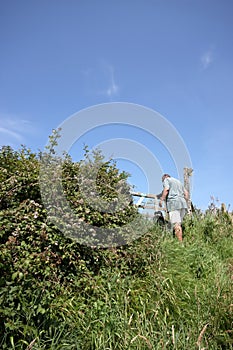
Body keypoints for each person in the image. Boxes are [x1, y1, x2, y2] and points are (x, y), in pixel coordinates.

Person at [159, 174, 189, 242]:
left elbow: (166, 189)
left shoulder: (166, 180)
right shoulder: (178, 182)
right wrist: (184, 201)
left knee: (176, 225)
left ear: (164, 178)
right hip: (182, 204)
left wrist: (161, 200)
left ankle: (180, 245)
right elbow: (186, 193)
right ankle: (179, 242)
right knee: (179, 224)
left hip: (173, 203)